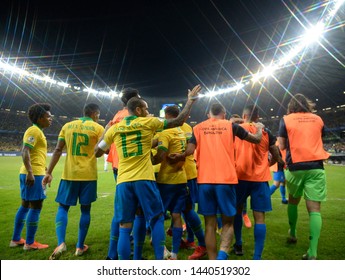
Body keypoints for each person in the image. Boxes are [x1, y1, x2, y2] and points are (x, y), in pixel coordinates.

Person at [95, 84, 201, 260]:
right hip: (144, 179)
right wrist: (190, 101)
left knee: (124, 225)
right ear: (138, 109)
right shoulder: (148, 122)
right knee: (156, 219)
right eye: (145, 108)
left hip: (123, 181)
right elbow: (178, 121)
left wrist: (106, 131)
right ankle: (159, 260)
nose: (148, 111)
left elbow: (97, 152)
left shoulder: (115, 128)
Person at [169, 103, 264, 260]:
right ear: (224, 113)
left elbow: (190, 151)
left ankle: (213, 262)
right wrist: (259, 127)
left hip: (205, 181)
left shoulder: (198, 128)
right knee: (227, 223)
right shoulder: (231, 126)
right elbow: (256, 139)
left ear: (209, 114)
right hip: (225, 180)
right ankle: (221, 258)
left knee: (210, 224)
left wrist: (179, 156)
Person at [42, 103, 105, 260]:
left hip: (69, 174)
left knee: (63, 208)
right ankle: (79, 246)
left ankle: (61, 243)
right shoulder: (98, 128)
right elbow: (103, 151)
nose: (98, 117)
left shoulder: (67, 126)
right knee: (85, 210)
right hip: (88, 176)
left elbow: (57, 150)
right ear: (95, 113)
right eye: (98, 114)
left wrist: (48, 172)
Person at [278, 93, 329, 260]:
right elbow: (320, 138)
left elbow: (282, 145)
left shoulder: (286, 119)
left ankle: (292, 233)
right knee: (315, 210)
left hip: (295, 167)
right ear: (307, 104)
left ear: (291, 106)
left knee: (293, 201)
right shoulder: (318, 119)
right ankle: (313, 252)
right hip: (316, 167)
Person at [233, 104, 282, 260]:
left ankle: (238, 244)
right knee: (259, 217)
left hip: (240, 177)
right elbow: (276, 153)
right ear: (257, 117)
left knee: (237, 212)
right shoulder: (266, 132)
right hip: (260, 179)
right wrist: (268, 164)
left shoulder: (237, 129)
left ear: (244, 116)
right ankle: (257, 257)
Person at [10, 103, 52, 250]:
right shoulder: (34, 130)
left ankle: (16, 239)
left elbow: (34, 154)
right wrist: (31, 172)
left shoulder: (37, 131)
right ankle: (29, 243)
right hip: (33, 175)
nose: (50, 118)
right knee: (36, 206)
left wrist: (44, 168)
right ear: (40, 118)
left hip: (34, 172)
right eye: (48, 116)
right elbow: (25, 151)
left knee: (25, 205)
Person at [105, 87, 141, 260]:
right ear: (134, 99)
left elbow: (104, 145)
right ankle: (131, 253)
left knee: (121, 210)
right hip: (132, 166)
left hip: (118, 165)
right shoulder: (135, 115)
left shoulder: (116, 116)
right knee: (137, 212)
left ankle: (113, 253)